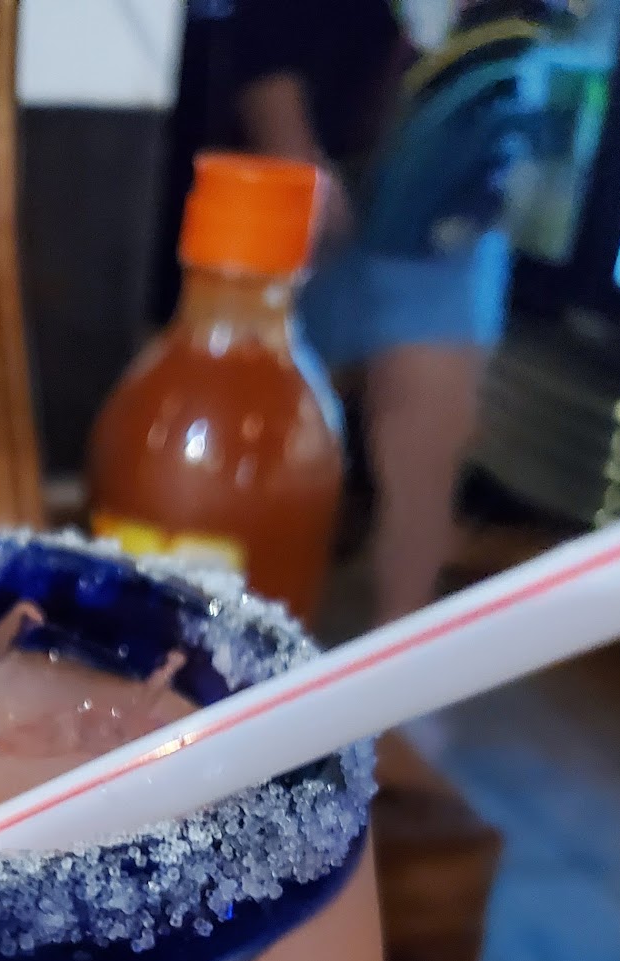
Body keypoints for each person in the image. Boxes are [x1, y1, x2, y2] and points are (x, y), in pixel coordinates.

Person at [233, 0, 540, 624]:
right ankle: (238, 641)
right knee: (267, 447)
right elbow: (259, 25)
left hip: (452, 187)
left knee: (421, 461)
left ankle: (401, 660)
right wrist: (291, 148)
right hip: (313, 176)